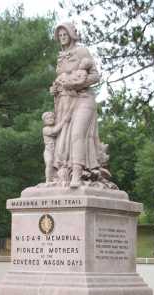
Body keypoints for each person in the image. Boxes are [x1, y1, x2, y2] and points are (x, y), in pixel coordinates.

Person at [50, 22, 105, 188]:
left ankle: (77, 173)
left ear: (72, 34)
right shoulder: (60, 57)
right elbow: (61, 79)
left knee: (77, 134)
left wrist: (76, 84)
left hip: (83, 98)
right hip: (65, 102)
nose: (62, 38)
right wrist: (56, 88)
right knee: (64, 138)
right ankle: (63, 175)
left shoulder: (82, 51)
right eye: (59, 35)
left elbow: (95, 76)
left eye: (64, 34)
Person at [42, 111, 71, 183]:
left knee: (56, 164)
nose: (50, 119)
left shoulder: (55, 126)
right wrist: (64, 121)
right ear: (44, 121)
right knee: (49, 163)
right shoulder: (45, 129)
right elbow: (54, 131)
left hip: (56, 151)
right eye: (48, 118)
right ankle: (48, 180)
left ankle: (56, 178)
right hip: (49, 151)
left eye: (52, 118)